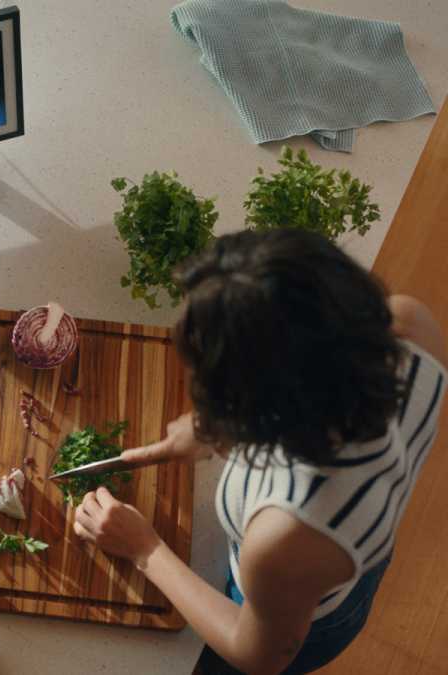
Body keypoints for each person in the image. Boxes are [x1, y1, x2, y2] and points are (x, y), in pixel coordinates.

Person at [71, 229, 446, 675]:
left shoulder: (284, 538)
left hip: (300, 618)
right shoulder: (406, 324)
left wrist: (145, 549)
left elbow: (257, 654)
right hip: (351, 548)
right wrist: (214, 428)